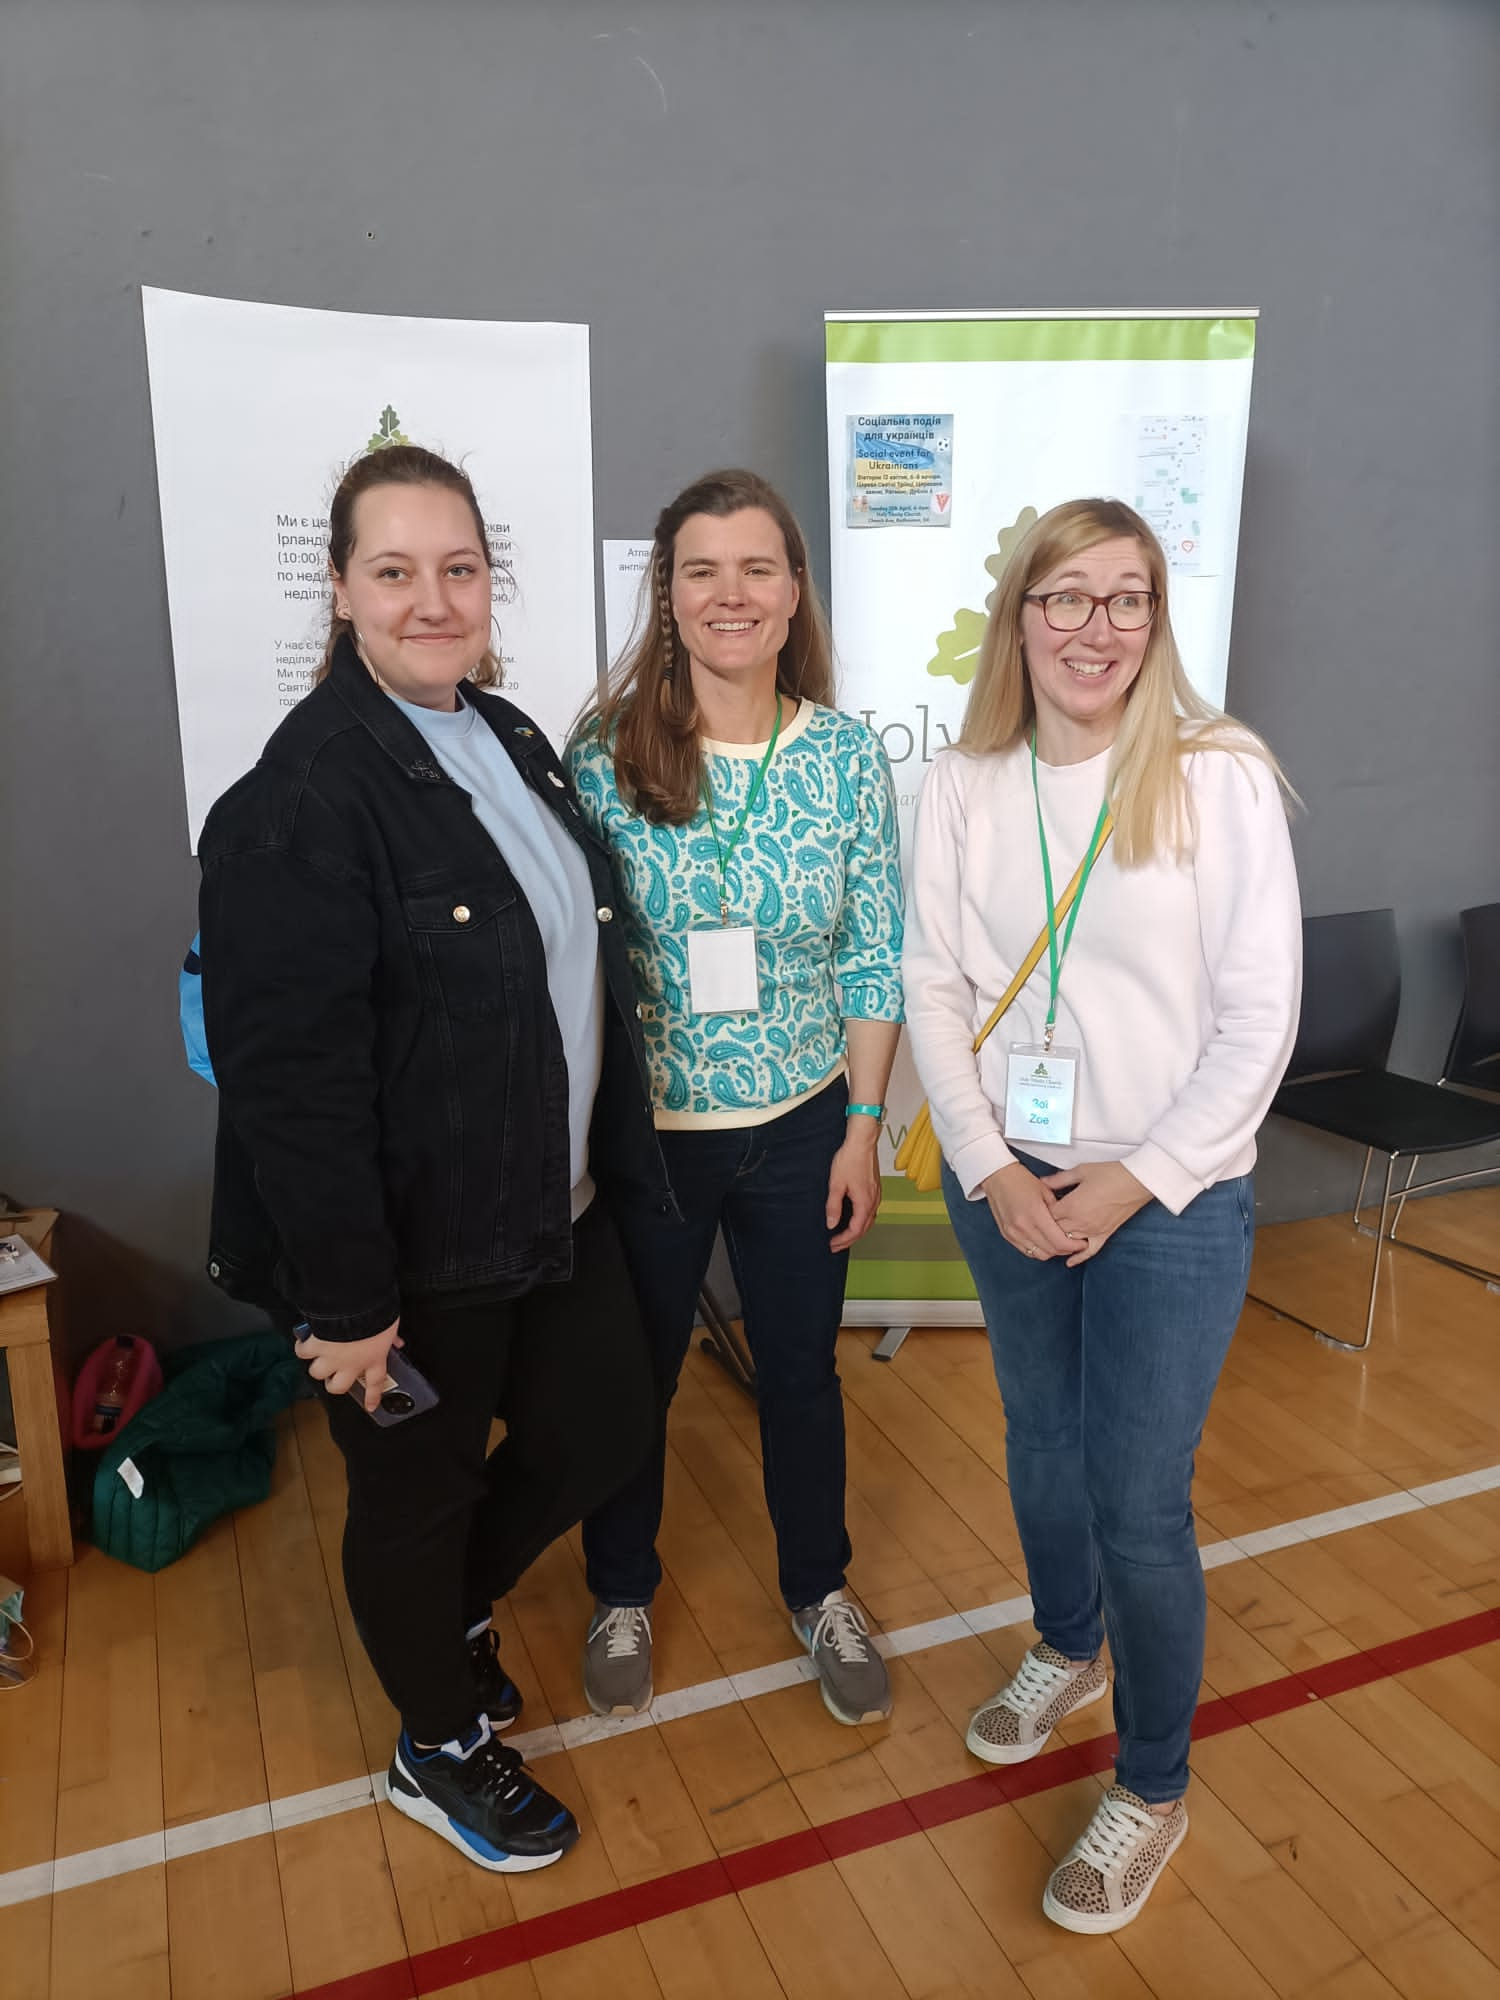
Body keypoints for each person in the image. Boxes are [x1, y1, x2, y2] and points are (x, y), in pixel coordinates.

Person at [198, 444, 667, 1875]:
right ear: (340, 589)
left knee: (604, 1428)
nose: (432, 598)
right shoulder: (300, 801)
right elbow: (292, 1088)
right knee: (415, 1494)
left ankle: (446, 1626)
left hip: (547, 1209)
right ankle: (435, 1743)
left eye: (458, 568)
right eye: (395, 571)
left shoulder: (507, 733)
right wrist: (347, 1304)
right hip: (407, 1254)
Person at [902, 497, 1300, 1934]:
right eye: (1066, 599)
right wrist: (991, 1165)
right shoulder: (960, 781)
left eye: (1125, 600)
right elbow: (935, 983)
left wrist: (1137, 1176)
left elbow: (1260, 1017)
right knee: (1041, 1442)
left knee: (1138, 1502)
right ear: (1021, 616)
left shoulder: (1218, 776)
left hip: (1171, 1195)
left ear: (1156, 620)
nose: (1095, 629)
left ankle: (1151, 1783)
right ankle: (1064, 1647)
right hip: (1008, 1177)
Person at [566, 468, 905, 1727]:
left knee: (803, 1373)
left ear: (794, 589)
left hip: (809, 1122)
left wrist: (865, 1127)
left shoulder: (845, 757)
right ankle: (620, 1587)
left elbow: (873, 950)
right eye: (700, 569)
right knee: (635, 1374)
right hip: (652, 1138)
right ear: (667, 593)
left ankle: (820, 1586)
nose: (730, 593)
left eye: (756, 567)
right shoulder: (603, 761)